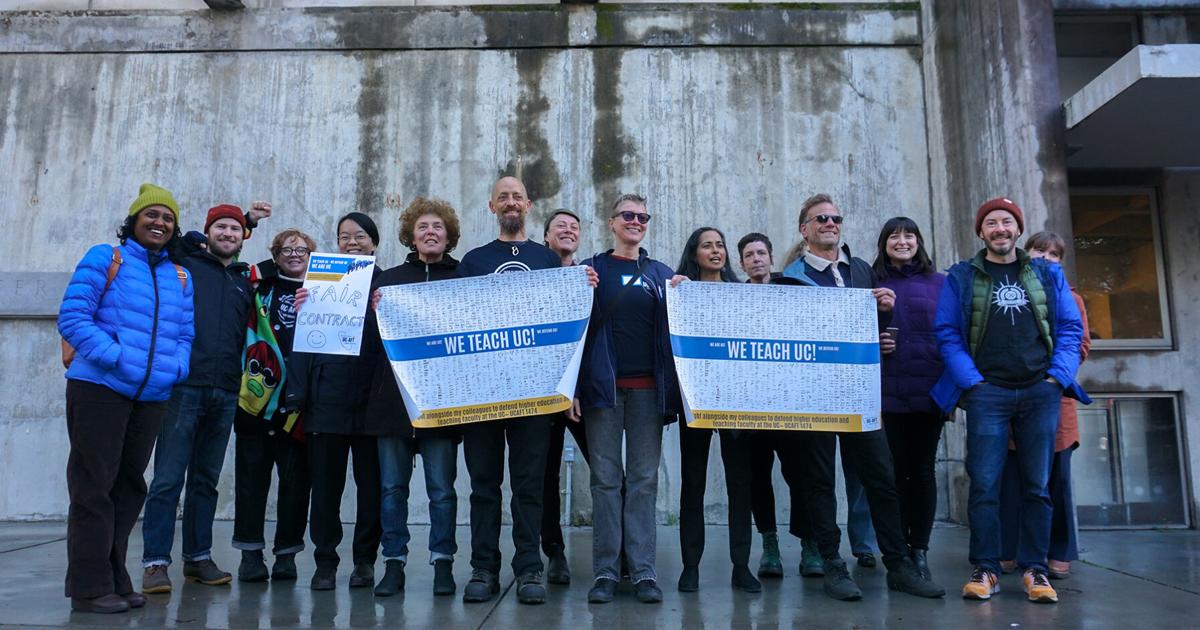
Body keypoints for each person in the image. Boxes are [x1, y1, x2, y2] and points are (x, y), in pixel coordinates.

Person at [782, 193, 944, 601]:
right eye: (820, 219)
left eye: (835, 218)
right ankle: (834, 565)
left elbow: (872, 332)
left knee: (881, 479)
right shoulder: (790, 278)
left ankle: (898, 565)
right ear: (804, 229)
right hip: (813, 398)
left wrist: (885, 314)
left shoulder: (859, 270)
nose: (830, 224)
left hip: (858, 395)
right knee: (820, 484)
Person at [932, 198, 1088, 604]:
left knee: (1038, 485)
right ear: (980, 232)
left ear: (1017, 230)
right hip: (989, 394)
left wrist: (1057, 377)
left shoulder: (1047, 273)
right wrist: (973, 383)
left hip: (1041, 391)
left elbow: (1071, 328)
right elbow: (946, 332)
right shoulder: (962, 276)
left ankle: (1036, 571)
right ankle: (986, 568)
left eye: (1006, 222)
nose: (999, 228)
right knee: (984, 483)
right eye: (991, 223)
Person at [456, 176, 597, 606]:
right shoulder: (473, 260)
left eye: (517, 196)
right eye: (503, 197)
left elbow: (568, 328)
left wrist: (582, 287)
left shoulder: (548, 260)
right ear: (491, 206)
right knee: (484, 484)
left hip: (535, 393)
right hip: (482, 392)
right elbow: (455, 319)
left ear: (529, 204)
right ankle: (483, 567)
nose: (511, 202)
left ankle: (530, 567)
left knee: (529, 484)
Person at [58, 183, 194, 613]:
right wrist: (115, 357)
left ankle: (115, 576)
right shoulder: (106, 258)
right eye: (151, 215)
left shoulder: (179, 275)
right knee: (92, 487)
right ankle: (88, 587)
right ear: (133, 221)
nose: (159, 223)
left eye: (168, 218)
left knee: (128, 488)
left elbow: (185, 335)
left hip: (151, 395)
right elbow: (73, 317)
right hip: (100, 388)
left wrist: (176, 369)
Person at [141, 202, 270, 594]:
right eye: (222, 228)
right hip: (185, 386)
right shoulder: (186, 261)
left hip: (226, 389)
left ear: (242, 239)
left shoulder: (243, 280)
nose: (228, 234)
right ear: (208, 231)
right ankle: (155, 563)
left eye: (235, 230)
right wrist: (246, 219)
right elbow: (173, 238)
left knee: (205, 481)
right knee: (167, 479)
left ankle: (197, 558)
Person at [576, 194, 680, 604]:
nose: (636, 221)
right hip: (602, 392)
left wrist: (687, 293)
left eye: (643, 217)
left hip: (647, 394)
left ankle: (642, 573)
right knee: (605, 482)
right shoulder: (592, 269)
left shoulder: (661, 273)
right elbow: (575, 334)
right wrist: (573, 390)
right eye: (628, 216)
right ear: (612, 222)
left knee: (643, 482)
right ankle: (605, 572)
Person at [362, 198, 464, 597]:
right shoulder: (387, 281)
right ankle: (394, 563)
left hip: (442, 401)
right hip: (393, 402)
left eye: (438, 226)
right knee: (392, 489)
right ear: (411, 235)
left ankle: (443, 564)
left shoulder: (464, 278)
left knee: (442, 489)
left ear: (449, 234)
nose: (430, 232)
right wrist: (374, 314)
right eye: (423, 226)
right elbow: (370, 343)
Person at [287, 212, 384, 591]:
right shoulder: (318, 283)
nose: (352, 243)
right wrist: (304, 309)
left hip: (370, 403)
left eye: (360, 236)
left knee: (370, 488)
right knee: (325, 489)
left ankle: (364, 561)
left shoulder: (387, 285)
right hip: (326, 400)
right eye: (344, 237)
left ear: (373, 242)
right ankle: (324, 562)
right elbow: (303, 347)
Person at [998, 231, 1091, 580]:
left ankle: (1058, 551)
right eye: (1039, 249)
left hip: (1053, 401)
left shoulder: (1073, 299)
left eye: (1054, 254)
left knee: (1055, 482)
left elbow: (1080, 345)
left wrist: (1051, 378)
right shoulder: (1010, 295)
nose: (1045, 257)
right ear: (1027, 251)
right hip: (1011, 398)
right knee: (1009, 480)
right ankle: (1007, 549)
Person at [674, 227, 762, 594]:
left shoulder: (741, 293)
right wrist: (674, 291)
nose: (716, 251)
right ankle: (690, 566)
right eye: (707, 245)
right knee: (692, 483)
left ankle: (741, 566)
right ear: (694, 253)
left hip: (735, 399)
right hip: (694, 398)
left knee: (740, 484)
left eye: (720, 245)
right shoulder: (680, 291)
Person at [232, 228, 316, 584]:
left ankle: (287, 556)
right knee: (251, 481)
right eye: (286, 249)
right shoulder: (258, 286)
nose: (294, 254)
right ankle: (250, 554)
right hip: (257, 402)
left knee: (296, 485)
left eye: (302, 249)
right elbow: (234, 268)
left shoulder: (325, 292)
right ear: (275, 254)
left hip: (300, 406)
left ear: (313, 255)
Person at [736, 232, 822, 579]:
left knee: (801, 474)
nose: (756, 259)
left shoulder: (795, 290)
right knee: (758, 477)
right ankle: (769, 545)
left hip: (791, 401)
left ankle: (809, 544)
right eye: (749, 255)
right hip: (750, 403)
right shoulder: (731, 297)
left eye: (761, 252)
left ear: (771, 258)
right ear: (741, 264)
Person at [871, 216, 947, 582]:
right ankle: (897, 551)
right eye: (895, 236)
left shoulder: (942, 284)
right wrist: (878, 339)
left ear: (919, 241)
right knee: (893, 475)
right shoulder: (871, 283)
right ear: (884, 243)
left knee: (923, 472)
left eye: (909, 235)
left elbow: (953, 336)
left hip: (930, 392)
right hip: (886, 395)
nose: (902, 241)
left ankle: (920, 550)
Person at [540, 208, 592, 585]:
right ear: (546, 238)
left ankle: (620, 550)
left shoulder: (590, 276)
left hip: (581, 396)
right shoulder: (532, 276)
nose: (569, 230)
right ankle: (554, 551)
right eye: (561, 226)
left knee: (608, 472)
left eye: (574, 226)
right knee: (545, 477)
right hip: (541, 392)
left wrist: (575, 387)